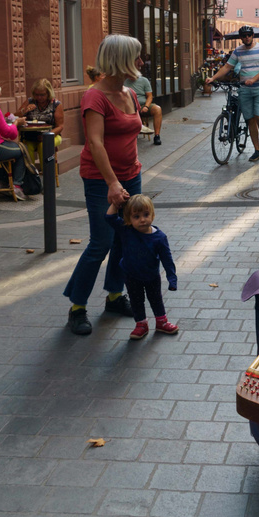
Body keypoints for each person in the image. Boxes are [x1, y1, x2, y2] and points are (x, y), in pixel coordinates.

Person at [62, 35, 144, 335]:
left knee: (125, 241)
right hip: (101, 181)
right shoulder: (94, 97)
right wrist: (112, 182)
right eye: (136, 56)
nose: (141, 62)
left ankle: (113, 296)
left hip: (130, 175)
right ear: (122, 59)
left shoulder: (130, 93)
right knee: (101, 243)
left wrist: (132, 168)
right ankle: (77, 307)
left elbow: (131, 132)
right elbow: (95, 143)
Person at [105, 193, 179, 340]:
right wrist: (116, 203)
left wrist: (172, 278)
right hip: (131, 275)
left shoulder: (159, 237)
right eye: (136, 217)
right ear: (128, 219)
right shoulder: (126, 231)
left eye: (146, 214)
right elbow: (109, 217)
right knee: (136, 300)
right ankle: (141, 324)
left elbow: (167, 259)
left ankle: (161, 321)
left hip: (151, 276)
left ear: (152, 214)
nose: (142, 220)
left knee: (156, 299)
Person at [205, 26, 259, 162]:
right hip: (244, 89)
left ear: (253, 35)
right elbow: (227, 67)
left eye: (248, 35)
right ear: (241, 37)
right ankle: (257, 150)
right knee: (250, 119)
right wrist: (213, 78)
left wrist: (254, 79)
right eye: (244, 35)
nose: (246, 37)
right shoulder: (238, 51)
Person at [16, 79, 64, 167]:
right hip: (30, 136)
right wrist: (24, 110)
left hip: (51, 135)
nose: (39, 97)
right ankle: (31, 175)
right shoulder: (30, 101)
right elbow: (15, 116)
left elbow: (60, 126)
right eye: (36, 94)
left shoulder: (56, 104)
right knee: (26, 147)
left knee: (43, 145)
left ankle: (47, 174)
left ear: (48, 93)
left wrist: (47, 135)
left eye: (42, 95)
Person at [124, 58, 162, 146]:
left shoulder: (144, 80)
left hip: (142, 106)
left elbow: (149, 96)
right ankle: (133, 134)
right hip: (129, 107)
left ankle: (157, 136)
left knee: (157, 109)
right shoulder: (124, 81)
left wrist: (146, 106)